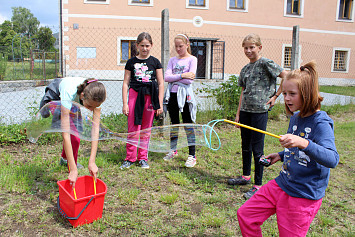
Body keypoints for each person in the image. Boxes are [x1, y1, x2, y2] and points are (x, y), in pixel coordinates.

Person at [237, 61, 339, 236]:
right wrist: (281, 155)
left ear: (306, 94)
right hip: (282, 183)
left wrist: (303, 142)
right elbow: (297, 149)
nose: (286, 98)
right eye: (284, 93)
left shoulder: (320, 122)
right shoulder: (296, 117)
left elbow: (332, 159)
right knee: (246, 215)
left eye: (292, 94)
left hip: (303, 195)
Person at [227, 33, 288, 199]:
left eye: (252, 47)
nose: (248, 50)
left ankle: (258, 184)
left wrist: (276, 96)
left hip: (260, 112)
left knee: (257, 149)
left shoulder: (266, 63)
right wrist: (238, 114)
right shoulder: (245, 69)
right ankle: (245, 177)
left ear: (259, 47)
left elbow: (286, 76)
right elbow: (242, 92)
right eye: (246, 48)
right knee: (245, 145)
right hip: (246, 112)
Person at [39, 77, 106, 187]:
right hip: (57, 93)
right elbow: (66, 134)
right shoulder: (68, 93)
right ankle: (71, 164)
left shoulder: (96, 97)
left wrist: (92, 161)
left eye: (94, 107)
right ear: (83, 95)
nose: (90, 110)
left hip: (75, 100)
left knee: (76, 136)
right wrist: (74, 170)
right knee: (73, 136)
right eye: (89, 106)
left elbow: (95, 130)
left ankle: (65, 160)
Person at [120, 32, 164, 169]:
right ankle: (130, 158)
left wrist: (160, 104)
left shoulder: (155, 62)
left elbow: (161, 83)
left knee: (146, 129)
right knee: (133, 128)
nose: (145, 49)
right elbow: (125, 83)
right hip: (135, 95)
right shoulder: (131, 62)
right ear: (137, 45)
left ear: (151, 45)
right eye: (142, 46)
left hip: (150, 97)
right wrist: (125, 103)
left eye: (147, 46)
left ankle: (143, 158)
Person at [163, 34, 198, 168]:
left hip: (185, 96)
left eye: (181, 46)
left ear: (187, 45)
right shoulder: (172, 60)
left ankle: (192, 155)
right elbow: (167, 77)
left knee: (188, 124)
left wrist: (175, 77)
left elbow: (190, 80)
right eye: (176, 46)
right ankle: (173, 150)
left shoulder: (192, 59)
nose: (178, 49)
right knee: (174, 124)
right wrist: (183, 74)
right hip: (172, 95)